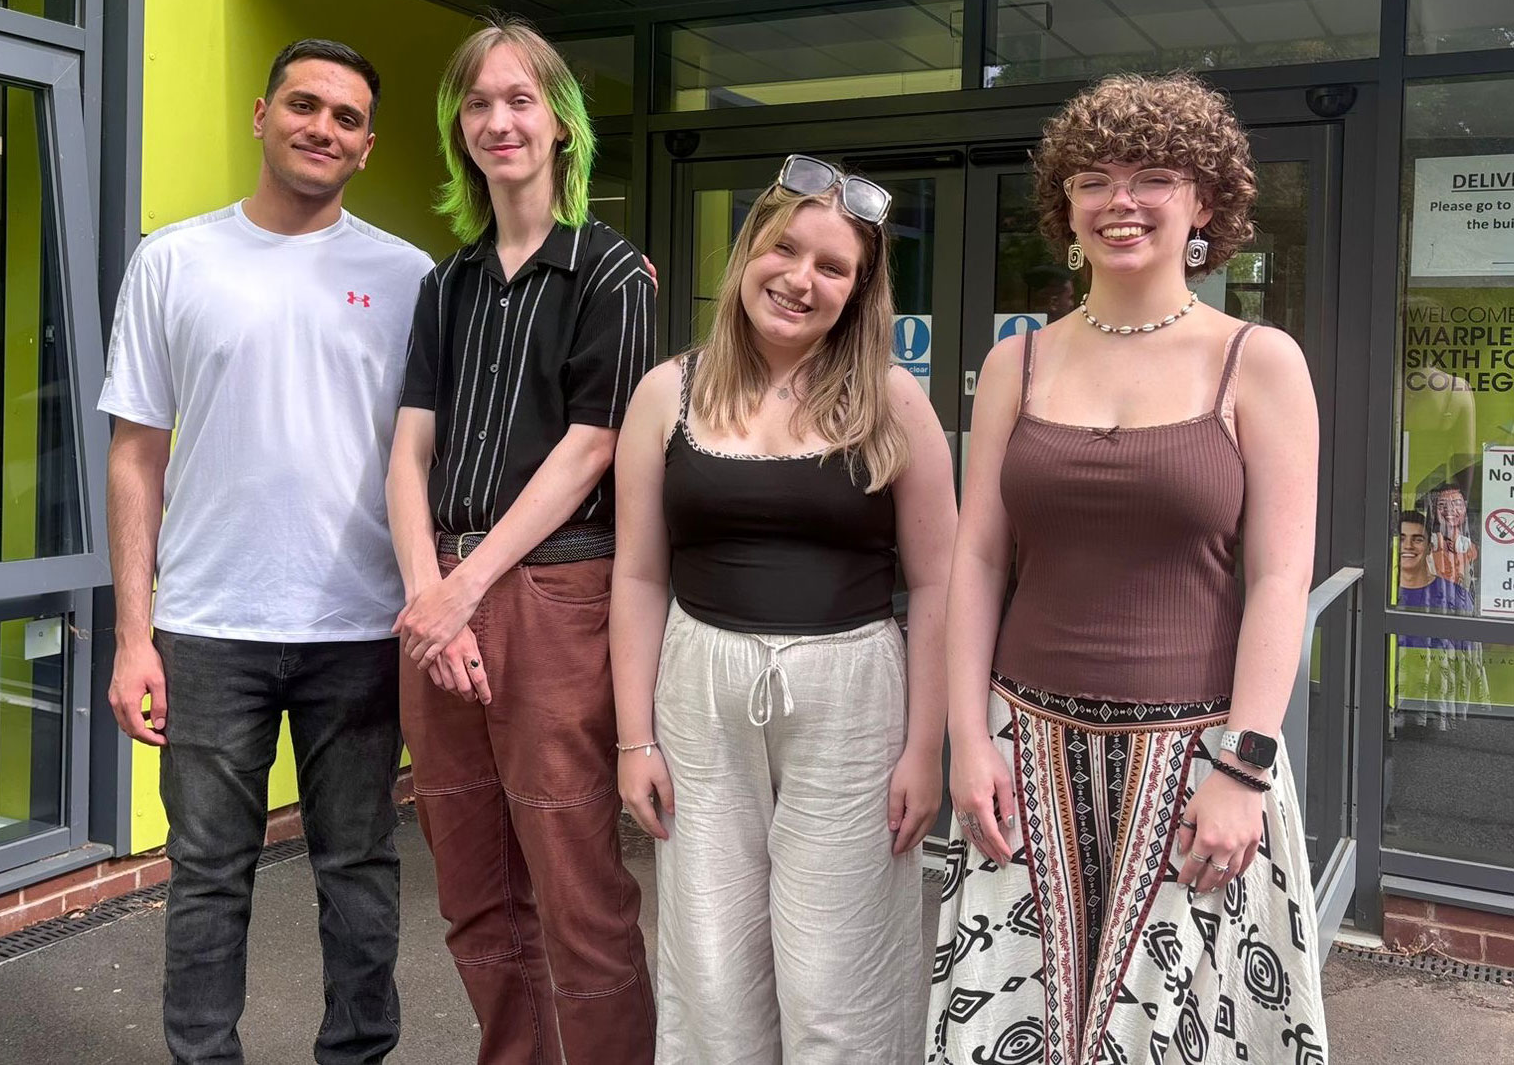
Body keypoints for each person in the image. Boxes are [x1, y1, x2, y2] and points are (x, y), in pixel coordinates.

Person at [933, 73, 1331, 1063]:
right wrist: (963, 738)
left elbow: (1280, 577)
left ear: (1205, 204)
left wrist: (1246, 763)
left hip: (1200, 760)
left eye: (1154, 175)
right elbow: (975, 558)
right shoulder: (1016, 365)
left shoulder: (1257, 360)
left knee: (1174, 1039)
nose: (1121, 199)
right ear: (1062, 208)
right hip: (1022, 748)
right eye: (1092, 178)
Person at [101, 39, 428, 1064]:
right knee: (205, 873)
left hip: (360, 625)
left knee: (361, 870)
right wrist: (132, 636)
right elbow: (134, 457)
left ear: (367, 145)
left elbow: (448, 443)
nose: (321, 127)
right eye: (303, 104)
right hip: (204, 629)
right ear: (260, 113)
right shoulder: (173, 260)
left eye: (344, 116)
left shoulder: (408, 274)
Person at [611, 156, 958, 1064]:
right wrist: (632, 737)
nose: (801, 280)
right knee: (711, 961)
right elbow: (640, 576)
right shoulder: (666, 393)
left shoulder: (892, 401)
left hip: (851, 697)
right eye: (785, 249)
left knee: (837, 972)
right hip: (699, 693)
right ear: (748, 251)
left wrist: (927, 748)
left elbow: (938, 583)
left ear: (859, 289)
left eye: (833, 267)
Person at [386, 17, 657, 1065]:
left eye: (521, 99)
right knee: (472, 886)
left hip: (551, 596)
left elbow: (592, 449)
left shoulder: (610, 272)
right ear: (460, 128)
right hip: (440, 600)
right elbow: (408, 455)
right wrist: (430, 591)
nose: (499, 120)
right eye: (479, 102)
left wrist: (468, 582)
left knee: (574, 889)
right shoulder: (443, 285)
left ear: (562, 127)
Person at [1397, 510, 1473, 613]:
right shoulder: (1382, 592)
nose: (1408, 546)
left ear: (1430, 547)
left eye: (1417, 540)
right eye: (1401, 539)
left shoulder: (1455, 596)